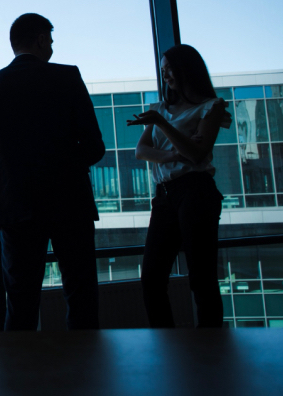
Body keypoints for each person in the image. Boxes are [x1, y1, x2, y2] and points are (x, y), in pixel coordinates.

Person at [0, 13, 105, 331]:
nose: (52, 48)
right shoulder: (68, 78)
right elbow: (95, 147)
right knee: (81, 297)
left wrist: (14, 168)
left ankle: (21, 377)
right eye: (51, 41)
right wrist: (62, 164)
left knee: (20, 303)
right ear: (42, 39)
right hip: (69, 201)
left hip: (14, 204)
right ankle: (85, 374)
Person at [129, 44, 231, 328]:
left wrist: (162, 124)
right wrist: (175, 153)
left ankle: (210, 349)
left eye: (170, 69)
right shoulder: (161, 108)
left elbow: (197, 154)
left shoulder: (210, 107)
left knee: (201, 278)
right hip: (164, 195)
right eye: (163, 72)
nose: (167, 76)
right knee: (151, 278)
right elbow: (141, 150)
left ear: (188, 69)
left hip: (195, 191)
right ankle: (167, 346)